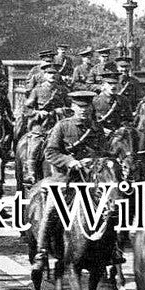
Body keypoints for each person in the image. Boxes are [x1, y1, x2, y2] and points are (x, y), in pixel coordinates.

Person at [30, 90, 113, 273]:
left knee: (111, 209)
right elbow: (50, 153)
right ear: (73, 107)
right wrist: (70, 161)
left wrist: (98, 161)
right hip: (65, 179)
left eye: (87, 107)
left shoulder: (96, 128)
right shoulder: (62, 126)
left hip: (91, 180)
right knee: (51, 209)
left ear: (91, 108)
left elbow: (104, 152)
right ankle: (41, 251)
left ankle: (112, 251)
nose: (83, 110)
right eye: (79, 106)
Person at [17, 64, 69, 186]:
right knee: (35, 145)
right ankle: (30, 173)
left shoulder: (62, 91)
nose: (52, 76)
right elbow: (26, 109)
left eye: (54, 73)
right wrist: (38, 112)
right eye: (49, 73)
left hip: (58, 125)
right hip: (41, 126)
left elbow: (70, 107)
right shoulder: (37, 90)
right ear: (44, 75)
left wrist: (61, 110)